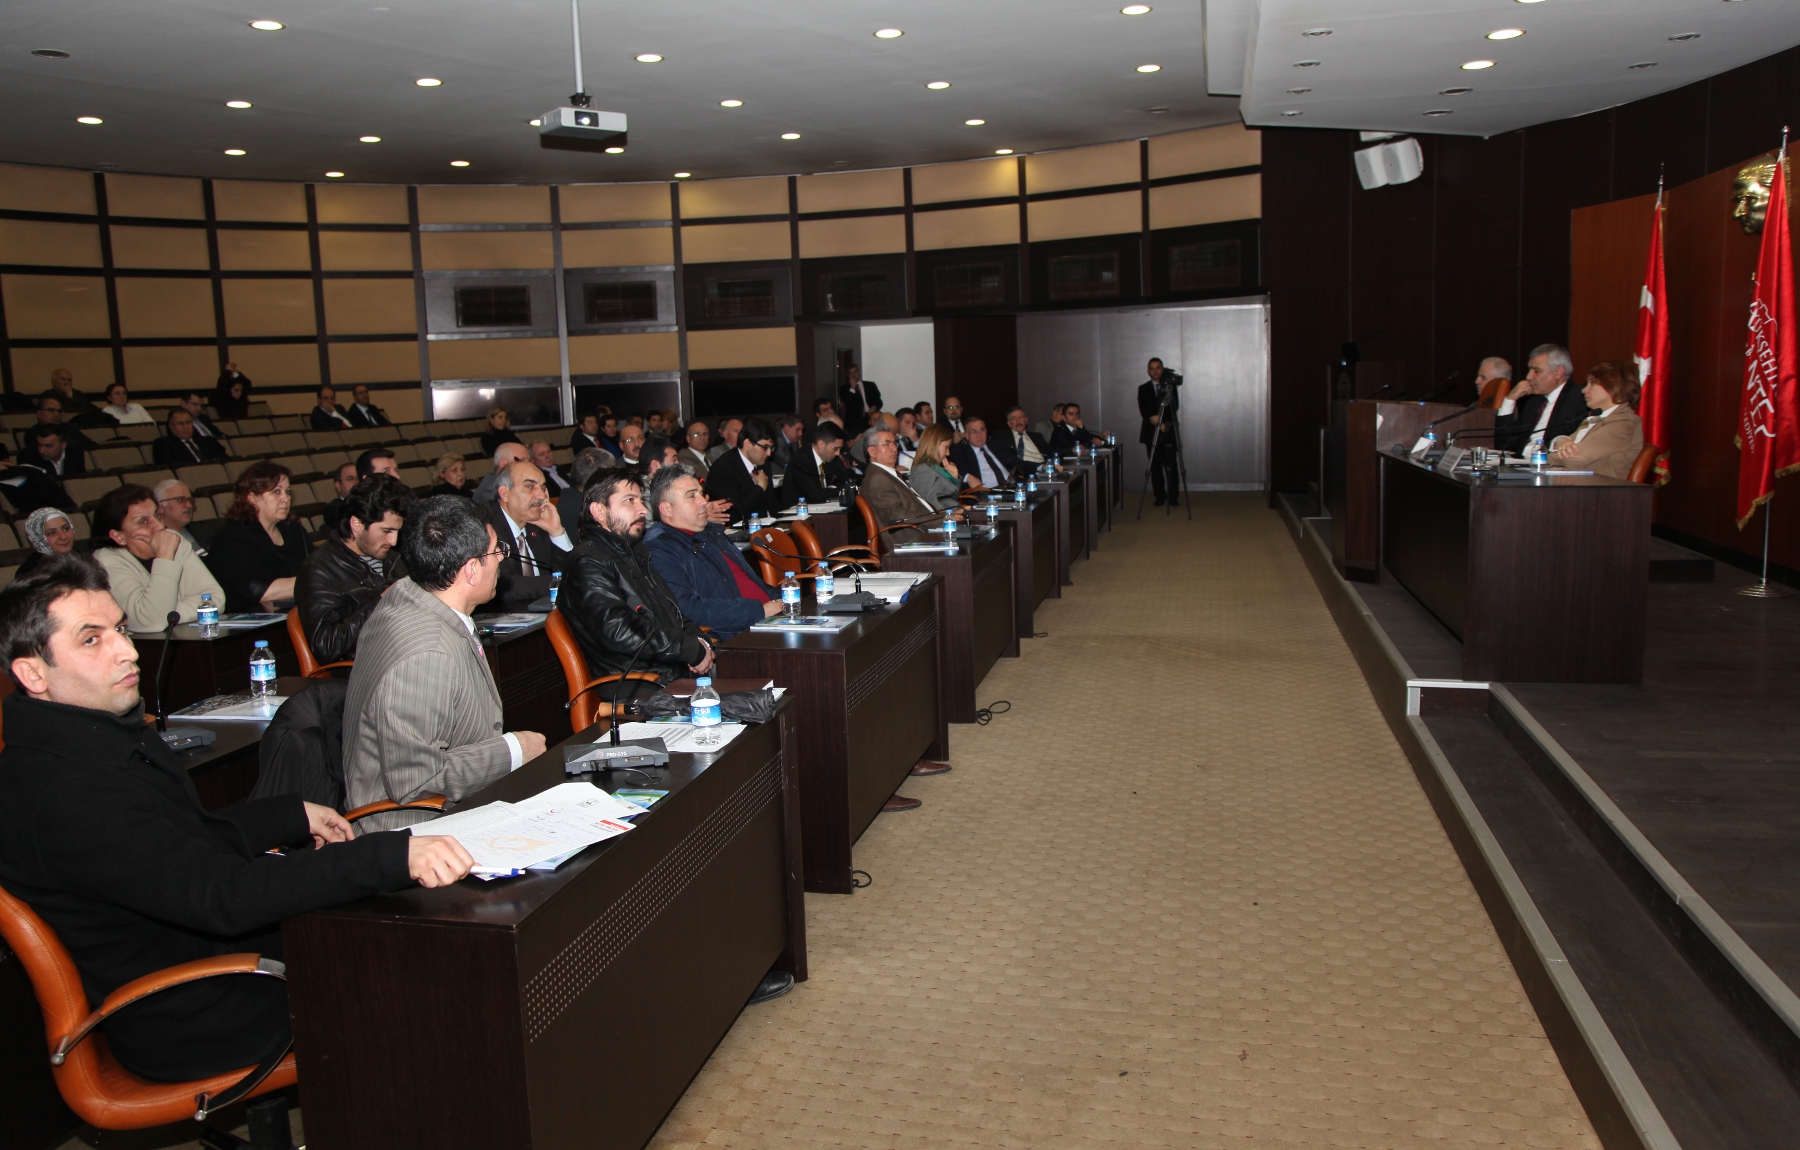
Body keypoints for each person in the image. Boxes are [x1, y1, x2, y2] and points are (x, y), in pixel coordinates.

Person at [0, 555, 471, 1082]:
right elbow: (222, 896)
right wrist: (388, 855)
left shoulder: (87, 742)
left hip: (212, 967)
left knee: (407, 926)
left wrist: (290, 815)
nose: (127, 651)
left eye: (121, 629)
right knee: (432, 963)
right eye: (92, 640)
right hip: (197, 1012)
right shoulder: (65, 791)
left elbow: (185, 842)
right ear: (32, 673)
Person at [341, 497, 548, 832]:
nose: (501, 560)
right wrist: (513, 750)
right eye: (496, 551)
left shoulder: (408, 593)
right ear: (471, 570)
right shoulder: (427, 655)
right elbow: (417, 780)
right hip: (416, 829)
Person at [558, 467, 713, 682]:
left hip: (671, 671)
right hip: (640, 684)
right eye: (630, 500)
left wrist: (700, 640)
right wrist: (688, 649)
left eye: (641, 500)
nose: (642, 510)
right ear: (599, 511)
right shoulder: (587, 562)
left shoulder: (634, 552)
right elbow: (620, 631)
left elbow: (672, 614)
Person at [643, 466, 782, 638]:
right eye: (692, 496)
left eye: (701, 493)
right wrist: (759, 611)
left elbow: (752, 582)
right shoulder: (659, 548)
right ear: (666, 509)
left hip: (769, 619)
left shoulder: (711, 533)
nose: (703, 502)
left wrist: (786, 598)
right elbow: (686, 608)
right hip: (738, 634)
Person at [296, 474, 415, 666]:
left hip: (407, 656)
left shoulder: (394, 559)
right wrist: (383, 601)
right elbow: (325, 646)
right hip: (364, 671)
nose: (393, 541)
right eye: (386, 531)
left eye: (397, 531)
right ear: (357, 524)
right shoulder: (319, 569)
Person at [90, 484, 226, 633]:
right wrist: (165, 557)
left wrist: (166, 614)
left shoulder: (174, 540)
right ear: (118, 536)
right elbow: (150, 621)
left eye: (157, 516)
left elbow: (215, 600)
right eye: (143, 522)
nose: (159, 526)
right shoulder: (106, 561)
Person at [205, 461, 307, 612]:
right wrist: (317, 579)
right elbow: (261, 592)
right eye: (276, 492)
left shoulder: (294, 530)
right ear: (252, 498)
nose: (286, 498)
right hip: (249, 621)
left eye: (288, 492)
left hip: (293, 613)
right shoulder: (231, 539)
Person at [480, 459, 573, 610]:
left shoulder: (537, 524)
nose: (541, 496)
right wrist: (559, 583)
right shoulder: (486, 525)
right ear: (505, 493)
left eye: (543, 488)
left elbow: (568, 571)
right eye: (530, 486)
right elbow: (503, 585)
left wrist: (556, 532)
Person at [861, 428, 955, 549]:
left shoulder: (887, 474)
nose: (895, 449)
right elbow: (897, 516)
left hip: (926, 531)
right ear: (872, 451)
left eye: (895, 443)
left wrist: (943, 518)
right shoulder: (878, 478)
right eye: (887, 444)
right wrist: (942, 519)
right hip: (913, 540)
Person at [1550, 360, 1645, 479]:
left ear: (1615, 386)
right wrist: (1562, 441)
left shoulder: (1623, 424)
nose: (1584, 390)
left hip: (1598, 488)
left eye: (1593, 383)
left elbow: (1574, 458)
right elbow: (1567, 448)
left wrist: (1542, 458)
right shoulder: (1595, 418)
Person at [1495, 344, 1593, 456]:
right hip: (1520, 462)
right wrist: (1510, 399)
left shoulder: (1581, 399)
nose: (1529, 377)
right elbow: (1504, 445)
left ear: (1558, 372)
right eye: (1529, 370)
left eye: (1536, 371)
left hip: (1551, 463)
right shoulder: (1534, 402)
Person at [703, 416, 781, 523]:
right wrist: (760, 487)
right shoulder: (723, 468)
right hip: (742, 528)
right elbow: (734, 514)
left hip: (769, 524)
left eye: (771, 448)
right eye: (765, 447)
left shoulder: (763, 462)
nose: (769, 453)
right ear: (748, 444)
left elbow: (771, 505)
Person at [1, 429, 78, 515]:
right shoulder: (28, 457)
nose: (41, 450)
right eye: (39, 445)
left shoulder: (74, 452)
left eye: (48, 446)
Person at [1138, 358, 1181, 507]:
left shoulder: (1170, 387)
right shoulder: (1143, 388)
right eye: (1152, 368)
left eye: (1158, 368)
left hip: (1168, 431)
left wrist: (1162, 421)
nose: (1155, 371)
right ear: (1148, 371)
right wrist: (1155, 419)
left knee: (1171, 465)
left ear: (1162, 369)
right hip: (1151, 432)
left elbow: (1174, 407)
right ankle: (1160, 496)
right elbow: (1144, 410)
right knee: (1155, 466)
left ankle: (1173, 497)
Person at [781, 421, 846, 507]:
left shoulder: (831, 458)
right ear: (821, 444)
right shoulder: (801, 460)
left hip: (823, 508)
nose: (838, 453)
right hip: (800, 511)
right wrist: (839, 490)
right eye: (835, 449)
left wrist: (832, 489)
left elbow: (843, 480)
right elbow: (815, 495)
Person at [909, 423, 969, 509]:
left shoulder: (935, 468)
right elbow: (929, 506)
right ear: (935, 444)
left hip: (951, 511)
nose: (948, 453)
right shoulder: (922, 470)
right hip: (944, 515)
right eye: (946, 447)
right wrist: (953, 513)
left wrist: (954, 477)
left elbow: (952, 498)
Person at [33, 394, 97, 472]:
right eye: (51, 410)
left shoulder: (69, 427)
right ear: (39, 414)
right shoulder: (34, 433)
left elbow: (89, 444)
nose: (56, 414)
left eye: (59, 411)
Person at [559, 446, 618, 527]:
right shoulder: (587, 513)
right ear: (598, 479)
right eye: (612, 475)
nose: (616, 479)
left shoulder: (568, 497)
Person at [950, 417, 1014, 489]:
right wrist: (967, 477)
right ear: (967, 436)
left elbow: (1017, 463)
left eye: (982, 430)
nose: (979, 435)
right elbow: (950, 467)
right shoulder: (961, 452)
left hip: (1012, 486)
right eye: (974, 432)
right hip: (988, 492)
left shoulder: (996, 446)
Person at [152, 478, 212, 555]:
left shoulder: (203, 531)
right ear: (160, 506)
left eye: (190, 500)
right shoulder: (157, 542)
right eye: (180, 500)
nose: (189, 505)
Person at [151, 408, 227, 467]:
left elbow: (226, 460)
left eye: (188, 422)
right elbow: (169, 466)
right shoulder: (163, 444)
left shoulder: (208, 441)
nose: (185, 426)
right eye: (180, 423)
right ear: (171, 426)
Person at [16, 508, 76, 579]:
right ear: (38, 538)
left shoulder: (80, 558)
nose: (63, 536)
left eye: (66, 529)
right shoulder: (31, 572)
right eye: (51, 533)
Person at [838, 364, 882, 432]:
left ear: (859, 372)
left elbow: (879, 401)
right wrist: (852, 388)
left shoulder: (870, 385)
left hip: (870, 417)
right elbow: (848, 404)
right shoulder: (844, 388)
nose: (853, 375)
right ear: (848, 375)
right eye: (850, 373)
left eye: (855, 372)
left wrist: (874, 407)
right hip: (854, 422)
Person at [1003, 407, 1048, 472]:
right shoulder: (1003, 438)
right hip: (1021, 472)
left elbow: (1052, 453)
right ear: (1009, 423)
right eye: (1014, 419)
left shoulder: (1037, 436)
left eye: (1021, 417)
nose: (1018, 422)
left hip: (1043, 470)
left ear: (1026, 420)